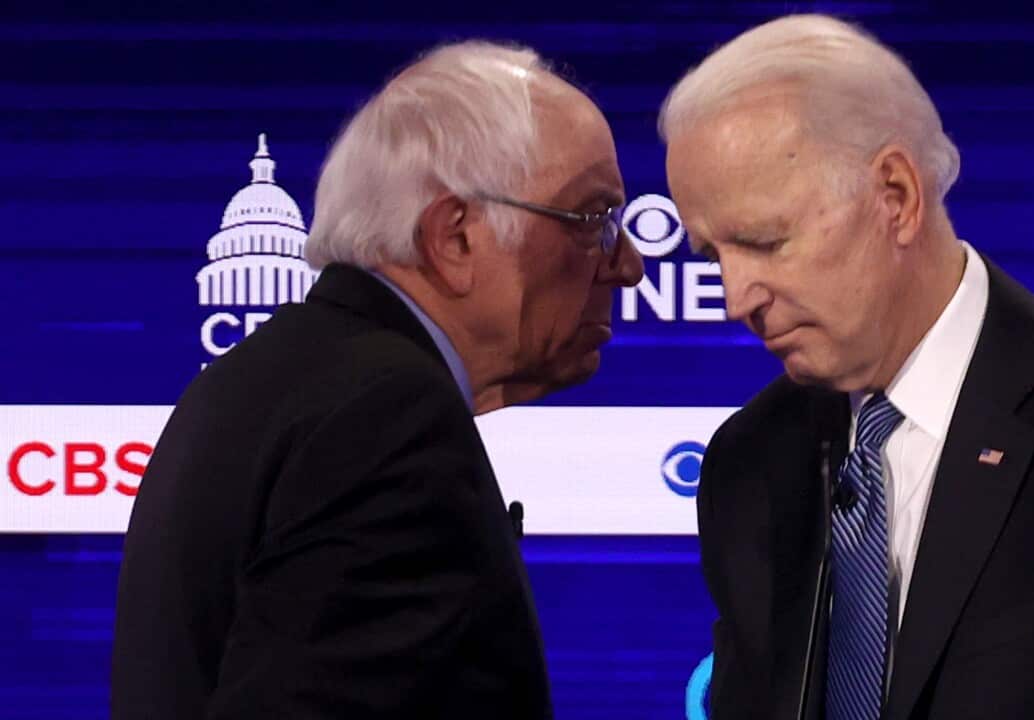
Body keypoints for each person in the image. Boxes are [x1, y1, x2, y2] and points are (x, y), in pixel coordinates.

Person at [660, 14, 1034, 720]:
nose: (736, 298)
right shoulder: (751, 461)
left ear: (894, 196)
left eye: (765, 242)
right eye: (713, 257)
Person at [112, 40, 642, 719]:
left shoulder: (268, 380)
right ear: (455, 238)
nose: (627, 265)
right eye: (593, 220)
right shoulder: (386, 417)